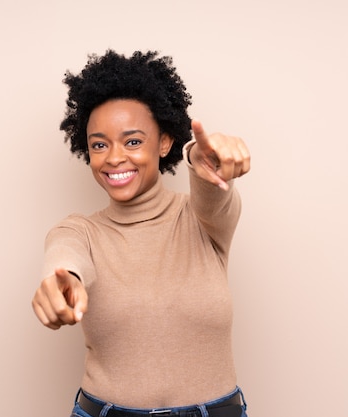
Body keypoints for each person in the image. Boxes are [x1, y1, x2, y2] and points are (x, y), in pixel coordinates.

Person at [32, 50, 251, 417]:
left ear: (164, 142)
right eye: (99, 144)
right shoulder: (81, 231)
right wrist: (60, 283)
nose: (114, 157)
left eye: (133, 141)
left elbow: (213, 193)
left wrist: (201, 159)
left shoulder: (202, 220)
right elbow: (64, 256)